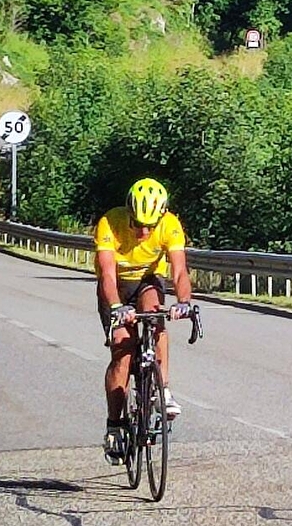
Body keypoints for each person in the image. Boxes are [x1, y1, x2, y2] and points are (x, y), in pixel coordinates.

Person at [96, 177, 193, 463]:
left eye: (149, 226)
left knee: (154, 315)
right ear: (128, 213)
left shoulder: (170, 225)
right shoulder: (109, 223)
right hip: (118, 285)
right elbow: (107, 276)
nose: (143, 231)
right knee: (122, 350)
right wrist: (115, 306)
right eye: (137, 224)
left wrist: (184, 302)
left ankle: (161, 389)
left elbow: (179, 272)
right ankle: (115, 424)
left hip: (149, 280)